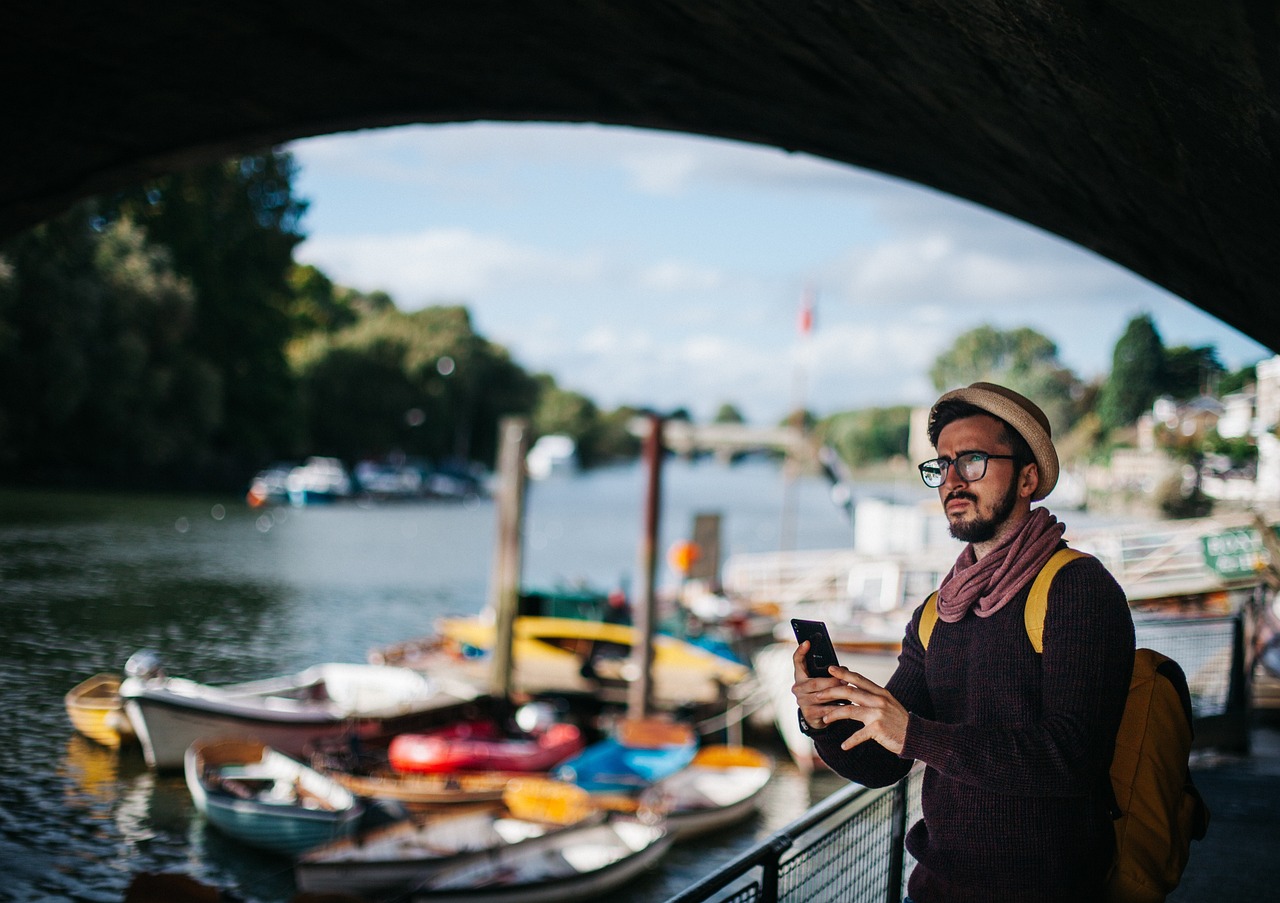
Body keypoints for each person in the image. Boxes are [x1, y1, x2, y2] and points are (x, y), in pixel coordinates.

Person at [791, 382, 1135, 903]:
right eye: (941, 466)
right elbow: (885, 763)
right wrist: (822, 722)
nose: (951, 480)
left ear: (1027, 478)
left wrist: (917, 734)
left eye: (971, 461)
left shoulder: (1077, 588)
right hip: (933, 890)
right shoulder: (937, 611)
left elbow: (1074, 756)